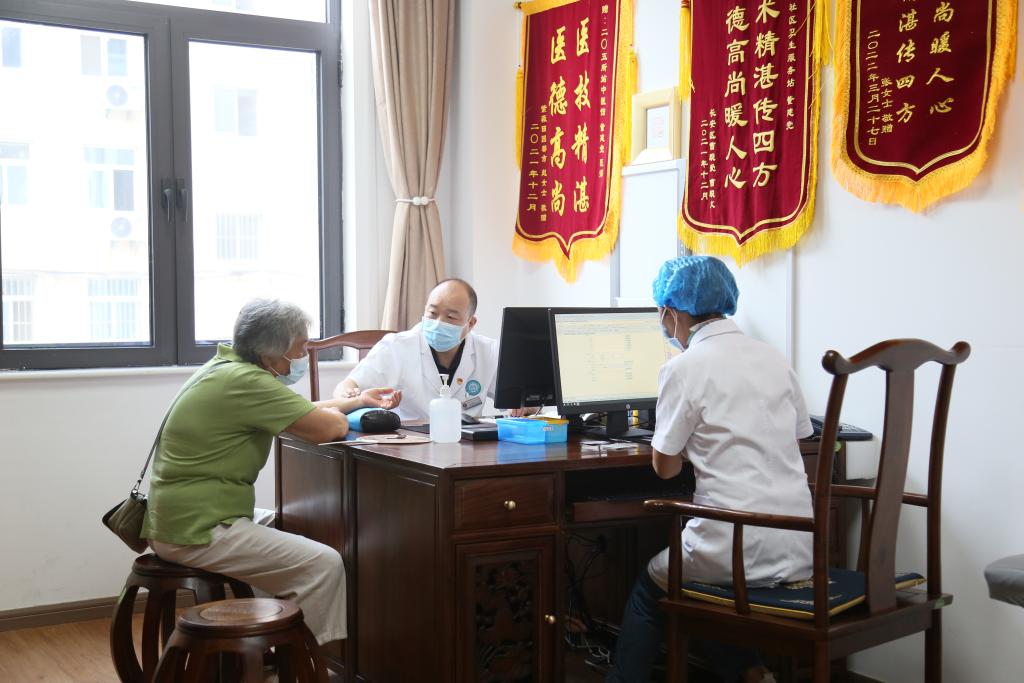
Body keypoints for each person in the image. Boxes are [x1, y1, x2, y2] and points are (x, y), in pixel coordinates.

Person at [142, 298, 395, 647]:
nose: (303, 355)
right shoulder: (248, 382)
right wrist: (344, 417)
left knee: (294, 523)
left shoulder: (227, 368)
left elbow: (299, 409)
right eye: (300, 348)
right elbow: (328, 428)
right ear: (271, 354)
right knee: (323, 564)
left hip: (183, 516)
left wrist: (356, 401)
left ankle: (269, 644)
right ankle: (305, 662)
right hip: (199, 528)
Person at [607, 256, 814, 683]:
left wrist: (689, 446)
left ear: (671, 312)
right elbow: (795, 441)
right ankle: (752, 673)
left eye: (661, 313)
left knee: (651, 588)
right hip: (797, 542)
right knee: (711, 586)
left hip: (732, 547)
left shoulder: (683, 367)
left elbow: (665, 470)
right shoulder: (773, 358)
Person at [334, 278, 502, 421]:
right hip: (410, 440)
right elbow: (349, 386)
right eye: (432, 313)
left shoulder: (489, 351)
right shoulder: (396, 347)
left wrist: (519, 405)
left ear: (470, 323)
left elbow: (515, 399)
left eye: (450, 317)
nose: (438, 323)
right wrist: (348, 394)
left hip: (469, 443)